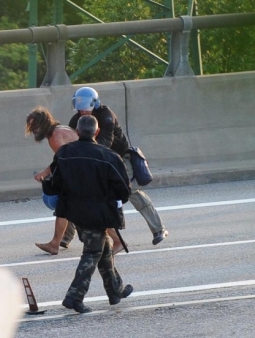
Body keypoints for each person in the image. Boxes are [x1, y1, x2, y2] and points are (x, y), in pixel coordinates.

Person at [48, 115, 133, 313]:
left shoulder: (64, 153)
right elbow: (124, 191)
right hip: (99, 213)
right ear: (96, 132)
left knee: (103, 247)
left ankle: (115, 290)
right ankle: (74, 297)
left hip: (74, 212)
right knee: (93, 252)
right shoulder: (109, 156)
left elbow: (55, 185)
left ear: (77, 132)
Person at [69, 87, 168, 246]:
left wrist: (86, 156)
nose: (82, 113)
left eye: (85, 109)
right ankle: (65, 238)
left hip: (118, 159)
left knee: (131, 191)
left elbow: (105, 143)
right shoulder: (77, 120)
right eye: (80, 109)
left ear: (95, 104)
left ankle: (158, 229)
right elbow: (71, 140)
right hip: (96, 160)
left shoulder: (107, 116)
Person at [25, 106, 123, 255]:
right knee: (64, 208)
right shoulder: (58, 130)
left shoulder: (56, 136)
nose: (33, 130)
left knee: (93, 211)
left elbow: (64, 160)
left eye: (35, 126)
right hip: (87, 170)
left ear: (43, 123)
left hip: (87, 173)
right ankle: (55, 244)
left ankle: (118, 241)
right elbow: (64, 158)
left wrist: (48, 175)